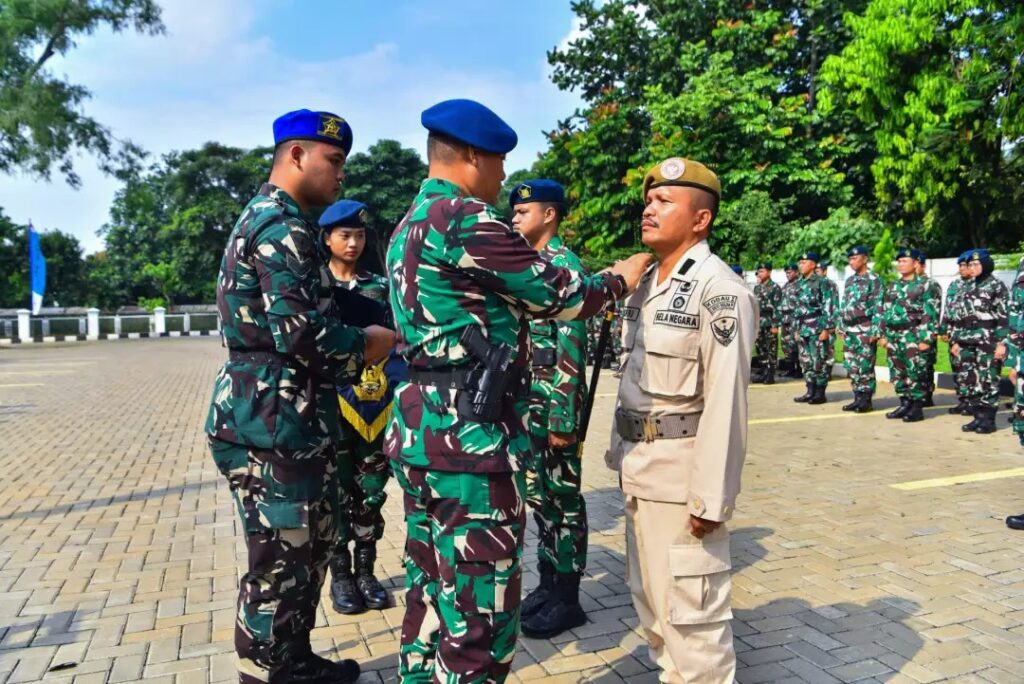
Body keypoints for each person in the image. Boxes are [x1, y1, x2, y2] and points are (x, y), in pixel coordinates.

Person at [383, 98, 651, 683]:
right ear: (472, 156)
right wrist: (619, 277)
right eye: (499, 162)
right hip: (470, 442)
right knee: (478, 623)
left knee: (431, 593)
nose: (503, 178)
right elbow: (562, 296)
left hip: (423, 432)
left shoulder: (408, 225)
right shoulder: (465, 218)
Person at [205, 109, 395, 684]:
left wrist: (383, 314)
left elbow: (320, 307)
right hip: (275, 418)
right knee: (280, 558)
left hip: (282, 412)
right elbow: (301, 332)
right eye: (333, 161)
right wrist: (368, 345)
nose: (341, 174)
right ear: (295, 155)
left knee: (305, 549)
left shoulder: (271, 219)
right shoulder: (280, 225)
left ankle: (294, 660)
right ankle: (269, 671)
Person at [605, 156, 757, 684]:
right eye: (649, 200)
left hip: (680, 477)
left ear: (700, 219)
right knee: (653, 607)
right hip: (639, 469)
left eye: (665, 201)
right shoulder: (645, 281)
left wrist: (711, 498)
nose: (649, 209)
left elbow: (727, 402)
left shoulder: (720, 290)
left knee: (693, 621)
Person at [508, 179, 590, 638]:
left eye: (523, 211)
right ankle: (548, 582)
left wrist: (563, 418)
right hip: (528, 404)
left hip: (553, 404)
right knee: (540, 497)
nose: (515, 218)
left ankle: (569, 596)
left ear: (549, 215)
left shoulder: (563, 267)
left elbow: (571, 347)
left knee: (563, 499)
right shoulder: (527, 266)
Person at [318, 200, 396, 615]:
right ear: (327, 238)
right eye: (345, 235)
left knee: (370, 489)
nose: (353, 243)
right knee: (333, 492)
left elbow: (396, 340)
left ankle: (366, 571)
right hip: (330, 407)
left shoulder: (380, 287)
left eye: (360, 236)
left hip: (374, 406)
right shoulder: (316, 288)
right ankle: (341, 575)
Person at [877, 248, 939, 423]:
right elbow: (885, 311)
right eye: (899, 261)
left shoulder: (926, 285)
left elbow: (930, 313)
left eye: (905, 261)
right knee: (897, 371)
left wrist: (926, 338)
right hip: (894, 335)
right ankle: (904, 403)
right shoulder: (892, 285)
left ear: (916, 263)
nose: (901, 264)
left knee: (915, 371)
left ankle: (916, 407)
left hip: (913, 335)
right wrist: (883, 334)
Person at [952, 249, 1008, 434]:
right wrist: (956, 341)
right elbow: (959, 316)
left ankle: (988, 420)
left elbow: (1004, 317)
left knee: (988, 379)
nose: (972, 268)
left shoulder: (997, 286)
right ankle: (977, 416)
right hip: (966, 340)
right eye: (970, 265)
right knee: (970, 379)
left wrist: (1001, 343)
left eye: (976, 264)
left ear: (986, 265)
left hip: (988, 340)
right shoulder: (966, 286)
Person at [837, 245, 883, 412]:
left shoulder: (874, 280)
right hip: (850, 330)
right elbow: (844, 304)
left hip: (865, 329)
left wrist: (876, 330)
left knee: (865, 366)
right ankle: (857, 397)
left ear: (864, 259)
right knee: (852, 365)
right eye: (850, 259)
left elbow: (878, 306)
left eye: (854, 258)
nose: (851, 262)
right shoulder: (850, 280)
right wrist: (841, 326)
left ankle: (866, 400)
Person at [792, 252, 836, 404]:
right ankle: (810, 391)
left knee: (819, 361)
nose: (801, 265)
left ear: (813, 264)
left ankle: (820, 393)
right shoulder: (799, 283)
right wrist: (796, 329)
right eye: (800, 262)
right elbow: (797, 308)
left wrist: (826, 328)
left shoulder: (822, 282)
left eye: (804, 262)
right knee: (806, 361)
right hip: (803, 328)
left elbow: (829, 306)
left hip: (817, 327)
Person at [941, 252, 975, 415]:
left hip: (972, 333)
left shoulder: (978, 284)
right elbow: (948, 308)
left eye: (965, 265)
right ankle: (963, 399)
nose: (962, 269)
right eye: (960, 266)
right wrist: (944, 328)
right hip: (955, 333)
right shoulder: (955, 285)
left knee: (971, 368)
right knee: (957, 366)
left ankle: (973, 401)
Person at [913, 250, 943, 406]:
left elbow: (932, 313)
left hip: (924, 332)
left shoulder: (930, 285)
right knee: (914, 366)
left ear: (922, 266)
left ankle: (926, 395)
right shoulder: (908, 284)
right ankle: (917, 396)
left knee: (925, 365)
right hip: (909, 333)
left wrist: (927, 336)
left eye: (916, 264)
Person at [752, 263, 781, 384]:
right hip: (759, 323)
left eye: (762, 271)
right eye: (758, 271)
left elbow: (778, 307)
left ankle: (770, 374)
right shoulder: (757, 288)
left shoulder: (775, 287)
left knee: (771, 349)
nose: (760, 273)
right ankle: (763, 372)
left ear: (769, 272)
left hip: (769, 322)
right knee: (760, 348)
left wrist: (775, 325)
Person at [779, 263, 801, 376]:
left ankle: (799, 369)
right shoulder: (785, 286)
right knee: (786, 344)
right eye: (786, 273)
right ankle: (790, 368)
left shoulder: (800, 285)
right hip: (785, 319)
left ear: (797, 272)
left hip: (795, 319)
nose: (788, 274)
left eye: (790, 272)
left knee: (796, 344)